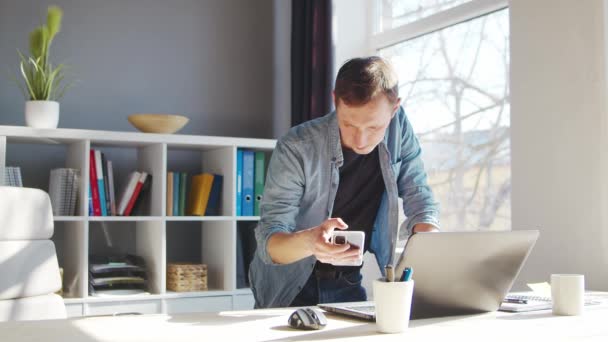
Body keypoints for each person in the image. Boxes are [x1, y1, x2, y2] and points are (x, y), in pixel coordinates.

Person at [249, 56, 439, 308]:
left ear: (394, 110)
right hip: (287, 287)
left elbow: (418, 194)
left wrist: (431, 241)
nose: (360, 140)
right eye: (348, 124)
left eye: (373, 128)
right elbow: (269, 241)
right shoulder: (296, 146)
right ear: (334, 100)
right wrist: (310, 242)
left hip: (347, 282)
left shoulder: (399, 127)